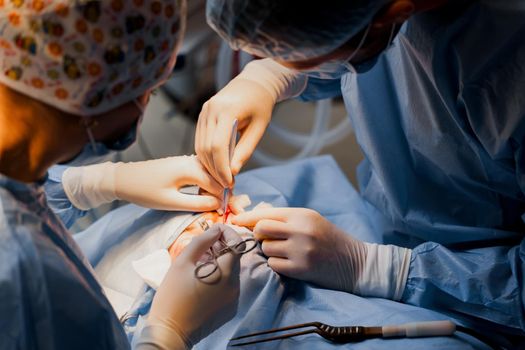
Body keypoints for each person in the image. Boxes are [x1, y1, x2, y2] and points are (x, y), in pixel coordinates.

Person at [196, 0, 525, 341]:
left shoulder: (506, 53)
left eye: (304, 53)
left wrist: (381, 269)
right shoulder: (369, 18)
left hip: (482, 297)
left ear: (394, 13)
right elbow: (355, 54)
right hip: (383, 221)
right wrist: (269, 77)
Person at [0, 1, 241, 349]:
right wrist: (168, 333)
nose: (146, 102)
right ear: (93, 101)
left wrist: (82, 185)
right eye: (150, 90)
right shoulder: (24, 272)